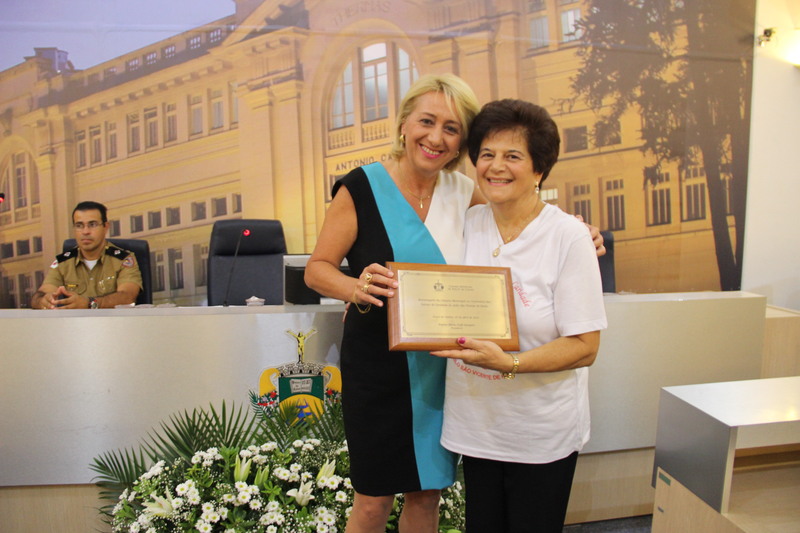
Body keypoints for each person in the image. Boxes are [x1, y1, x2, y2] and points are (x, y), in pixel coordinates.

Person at [305, 73, 482, 532]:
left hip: (441, 366)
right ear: (404, 123)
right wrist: (354, 287)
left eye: (451, 128)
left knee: (427, 494)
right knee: (372, 500)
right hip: (376, 367)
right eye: (427, 121)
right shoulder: (361, 186)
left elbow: (522, 226)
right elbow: (317, 268)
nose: (436, 137)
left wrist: (578, 234)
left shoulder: (466, 192)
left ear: (462, 141)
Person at [432, 99, 608, 532]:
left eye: (513, 156)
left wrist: (509, 363)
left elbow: (585, 347)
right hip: (477, 424)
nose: (496, 167)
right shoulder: (466, 223)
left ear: (539, 169)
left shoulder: (568, 237)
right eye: (487, 154)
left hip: (540, 432)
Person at [31, 201, 142, 310]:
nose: (85, 231)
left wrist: (90, 304)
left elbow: (128, 297)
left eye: (92, 225)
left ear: (106, 227)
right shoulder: (63, 263)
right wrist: (44, 301)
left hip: (113, 321)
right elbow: (40, 295)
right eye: (79, 225)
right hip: (74, 322)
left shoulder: (123, 259)